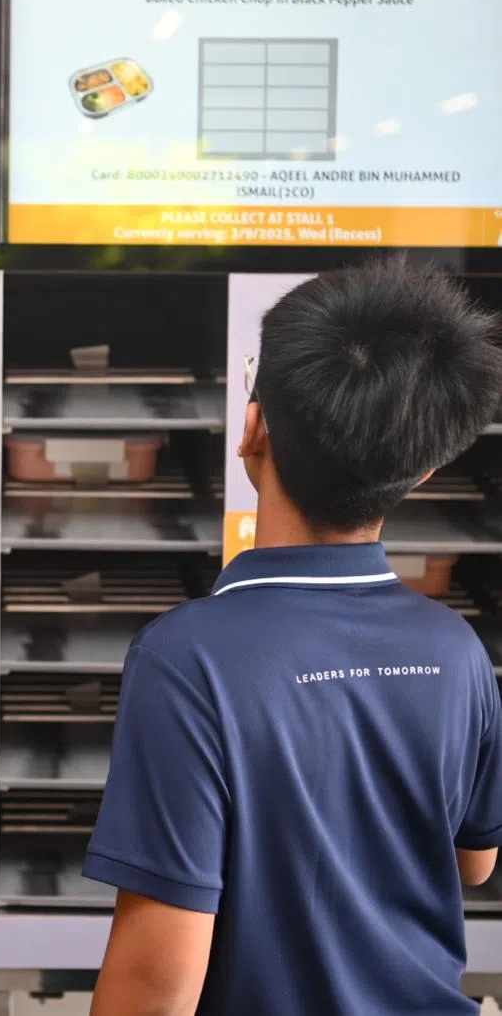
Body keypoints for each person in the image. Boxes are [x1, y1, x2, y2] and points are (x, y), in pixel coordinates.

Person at [86, 260, 502, 1016]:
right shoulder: (456, 647)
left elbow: (155, 984)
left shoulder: (188, 657)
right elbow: (474, 862)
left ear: (252, 431)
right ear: (424, 468)